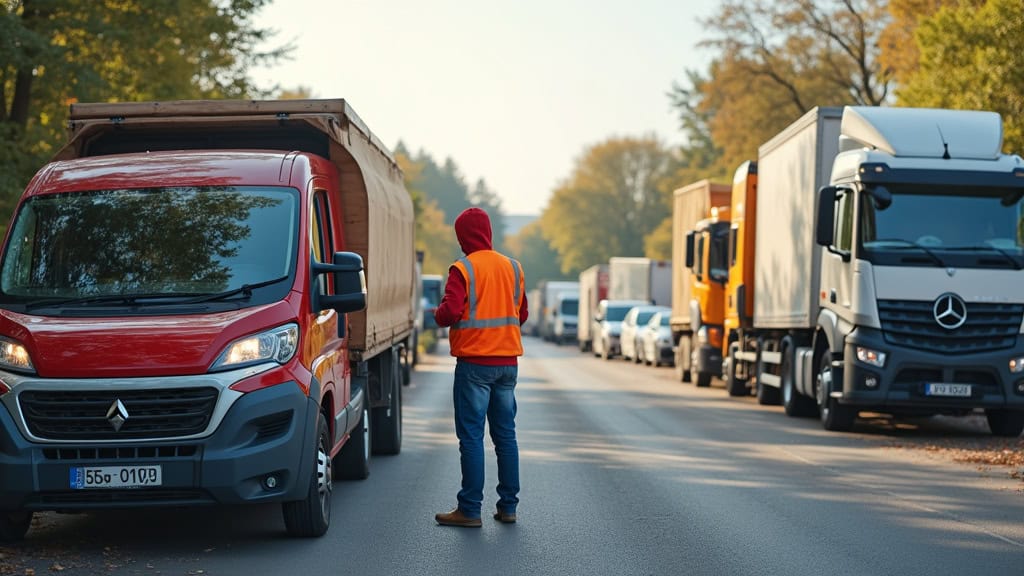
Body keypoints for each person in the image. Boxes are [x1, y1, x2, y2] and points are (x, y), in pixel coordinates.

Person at [434, 207, 528, 528]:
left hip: (474, 364)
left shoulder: (463, 269)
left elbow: (450, 311)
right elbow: (522, 314)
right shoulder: (513, 268)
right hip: (508, 365)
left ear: (463, 236)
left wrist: (437, 314)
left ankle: (470, 509)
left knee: (472, 437)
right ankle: (508, 506)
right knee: (505, 436)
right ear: (488, 232)